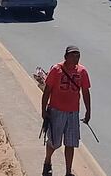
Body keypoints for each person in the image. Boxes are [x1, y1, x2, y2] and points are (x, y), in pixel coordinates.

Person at [41, 45, 91, 176]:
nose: (76, 58)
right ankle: (47, 162)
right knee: (54, 141)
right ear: (66, 57)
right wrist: (44, 110)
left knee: (71, 143)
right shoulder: (56, 70)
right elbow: (47, 90)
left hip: (73, 113)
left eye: (78, 55)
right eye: (73, 55)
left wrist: (88, 111)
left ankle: (68, 172)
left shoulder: (82, 71)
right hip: (56, 111)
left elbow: (85, 91)